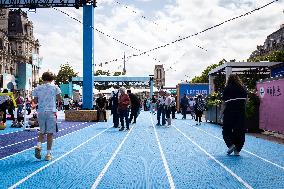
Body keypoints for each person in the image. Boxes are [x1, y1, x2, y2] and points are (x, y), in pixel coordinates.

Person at [32, 72, 62, 161]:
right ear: (52, 79)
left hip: (41, 111)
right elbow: (59, 99)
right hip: (51, 111)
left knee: (42, 131)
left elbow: (35, 101)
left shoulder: (37, 88)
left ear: (43, 78)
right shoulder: (55, 87)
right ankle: (48, 154)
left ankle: (38, 145)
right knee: (50, 133)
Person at [220, 74, 247, 156]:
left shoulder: (227, 88)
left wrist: (221, 114)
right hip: (240, 112)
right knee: (240, 131)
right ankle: (237, 150)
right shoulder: (243, 88)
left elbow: (224, 103)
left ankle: (231, 145)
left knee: (226, 130)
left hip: (229, 112)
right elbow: (246, 102)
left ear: (229, 80)